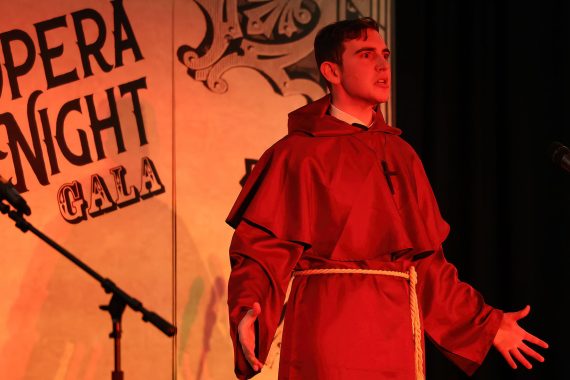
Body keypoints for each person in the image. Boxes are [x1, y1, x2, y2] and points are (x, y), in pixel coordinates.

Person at [226, 17, 548, 380]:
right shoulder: (297, 154)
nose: (382, 65)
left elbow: (429, 268)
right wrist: (247, 311)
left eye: (385, 54)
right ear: (331, 71)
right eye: (366, 55)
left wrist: (486, 324)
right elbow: (260, 251)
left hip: (396, 331)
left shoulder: (401, 155)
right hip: (328, 327)